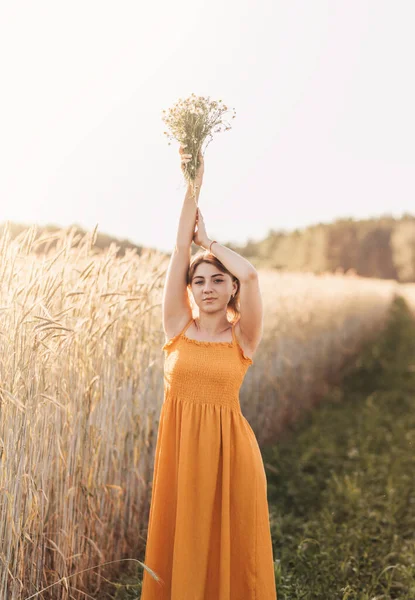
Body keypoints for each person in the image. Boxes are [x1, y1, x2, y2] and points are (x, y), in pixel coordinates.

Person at [140, 145, 277, 599]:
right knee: (184, 544)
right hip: (181, 453)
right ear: (190, 290)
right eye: (199, 280)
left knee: (230, 551)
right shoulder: (177, 326)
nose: (208, 287)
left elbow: (253, 276)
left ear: (230, 286)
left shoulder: (243, 337)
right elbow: (179, 247)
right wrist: (193, 181)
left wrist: (210, 244)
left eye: (218, 279)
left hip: (230, 455)